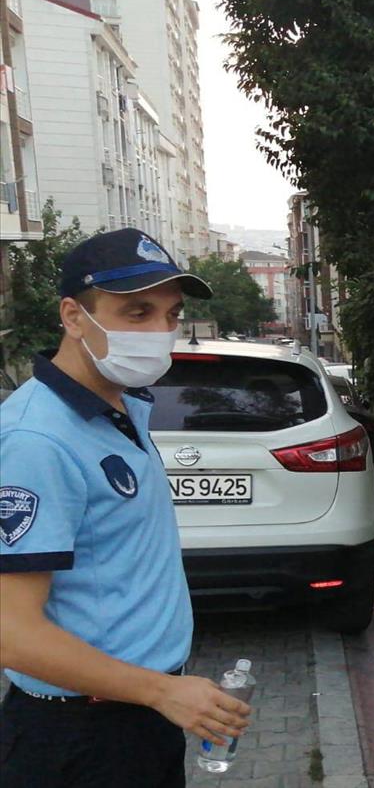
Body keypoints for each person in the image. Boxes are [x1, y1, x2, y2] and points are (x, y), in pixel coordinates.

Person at [0, 229, 252, 787]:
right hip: (81, 736)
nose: (160, 332)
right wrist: (164, 691)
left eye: (171, 314)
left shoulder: (123, 404)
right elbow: (10, 632)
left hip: (138, 714)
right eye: (136, 312)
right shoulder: (37, 440)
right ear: (73, 315)